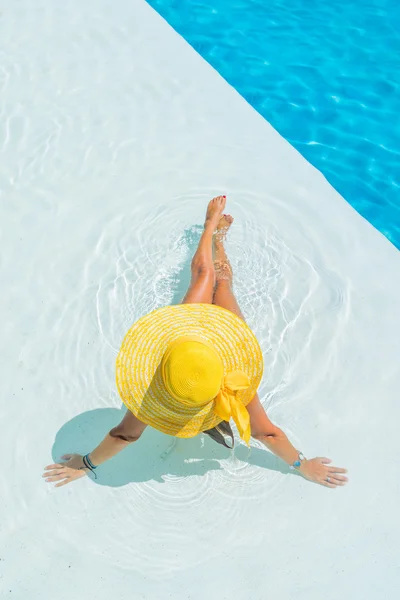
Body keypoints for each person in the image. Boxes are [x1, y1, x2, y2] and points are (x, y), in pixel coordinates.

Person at [43, 196, 348, 489]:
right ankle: (217, 237)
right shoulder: (235, 385)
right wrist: (302, 465)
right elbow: (267, 433)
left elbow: (124, 436)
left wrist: (85, 464)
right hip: (216, 341)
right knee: (221, 282)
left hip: (189, 335)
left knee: (207, 277)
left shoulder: (153, 392)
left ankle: (213, 233)